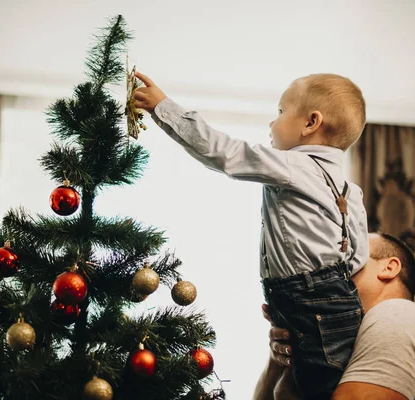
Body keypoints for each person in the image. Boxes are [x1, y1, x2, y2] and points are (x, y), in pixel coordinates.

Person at [132, 71, 368, 399]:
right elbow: (358, 256)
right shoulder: (349, 189)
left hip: (308, 298)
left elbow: (226, 154)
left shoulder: (291, 166)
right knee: (306, 384)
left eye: (281, 112)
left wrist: (164, 108)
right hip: (334, 298)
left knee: (319, 388)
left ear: (311, 122)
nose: (272, 123)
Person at [253, 233, 415, 400]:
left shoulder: (397, 315)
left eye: (349, 260)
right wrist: (278, 362)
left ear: (389, 268)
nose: (334, 271)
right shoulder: (353, 340)